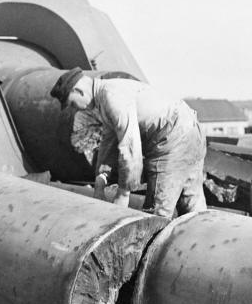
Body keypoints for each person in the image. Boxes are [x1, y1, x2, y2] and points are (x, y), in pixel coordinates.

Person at [50, 68, 206, 218]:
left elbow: (131, 148)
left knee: (155, 214)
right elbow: (108, 143)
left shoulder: (112, 97)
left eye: (72, 103)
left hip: (173, 138)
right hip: (190, 129)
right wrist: (100, 180)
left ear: (79, 91)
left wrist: (124, 193)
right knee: (192, 204)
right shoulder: (105, 96)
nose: (75, 109)